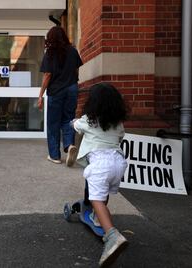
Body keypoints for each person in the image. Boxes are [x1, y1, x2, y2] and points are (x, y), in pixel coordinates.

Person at [71, 83, 128, 267]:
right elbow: (121, 137)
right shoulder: (118, 123)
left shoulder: (89, 120)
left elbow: (76, 126)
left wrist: (72, 122)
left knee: (95, 197)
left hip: (100, 163)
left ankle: (112, 236)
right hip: (118, 163)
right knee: (102, 195)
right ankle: (97, 216)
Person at [38, 26, 83, 166]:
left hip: (56, 91)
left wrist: (40, 95)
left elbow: (47, 75)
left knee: (53, 124)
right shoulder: (73, 51)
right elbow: (76, 71)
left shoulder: (50, 53)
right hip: (71, 89)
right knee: (68, 119)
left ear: (50, 38)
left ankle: (55, 156)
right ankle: (69, 145)